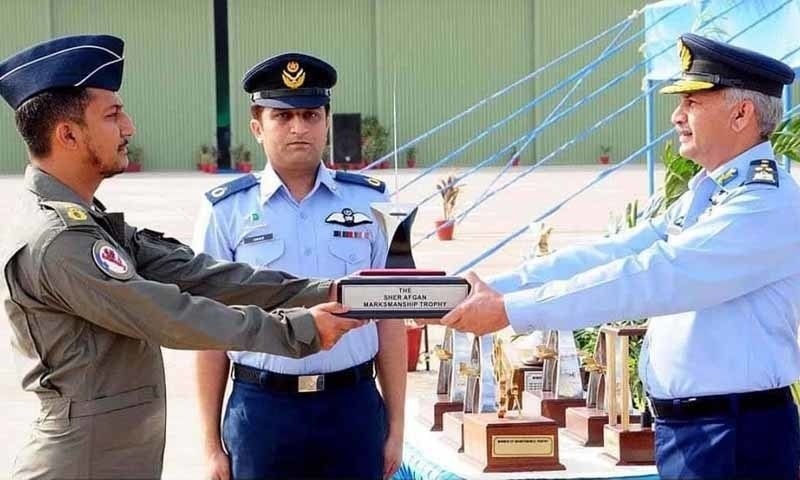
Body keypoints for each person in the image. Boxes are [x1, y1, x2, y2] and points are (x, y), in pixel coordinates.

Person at [0, 35, 366, 480]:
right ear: (69, 134)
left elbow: (197, 274)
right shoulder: (59, 240)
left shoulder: (86, 222)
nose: (129, 126)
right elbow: (169, 315)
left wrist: (321, 291)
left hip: (109, 457)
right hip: (78, 463)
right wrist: (300, 329)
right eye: (113, 114)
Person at [442, 33, 800, 479]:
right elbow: (615, 253)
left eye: (692, 101)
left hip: (735, 437)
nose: (676, 116)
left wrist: (510, 311)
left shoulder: (765, 205)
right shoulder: (708, 195)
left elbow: (652, 276)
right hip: (693, 431)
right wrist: (495, 289)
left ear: (742, 113)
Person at [194, 52, 406, 480]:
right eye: (282, 116)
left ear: (327, 122)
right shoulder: (225, 212)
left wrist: (397, 427)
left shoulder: (372, 203)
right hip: (262, 412)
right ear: (257, 127)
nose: (298, 128)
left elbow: (391, 315)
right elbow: (208, 328)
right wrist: (209, 443)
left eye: (310, 115)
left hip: (352, 408)